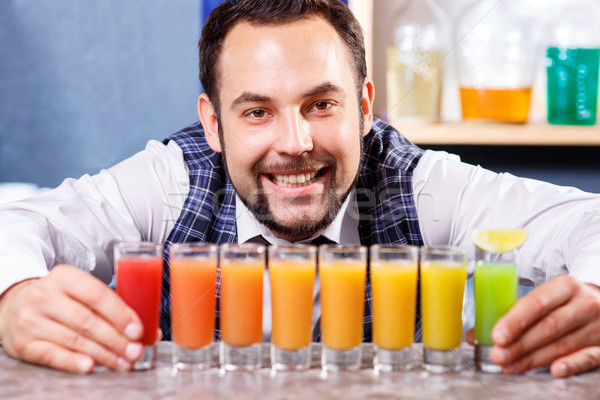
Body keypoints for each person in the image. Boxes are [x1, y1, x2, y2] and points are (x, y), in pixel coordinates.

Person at [1, 0, 599, 377]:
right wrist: (14, 296)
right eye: (257, 112)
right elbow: (21, 223)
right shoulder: (170, 180)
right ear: (213, 123)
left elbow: (585, 221)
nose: (295, 142)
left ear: (364, 108)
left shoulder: (418, 186)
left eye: (321, 104)